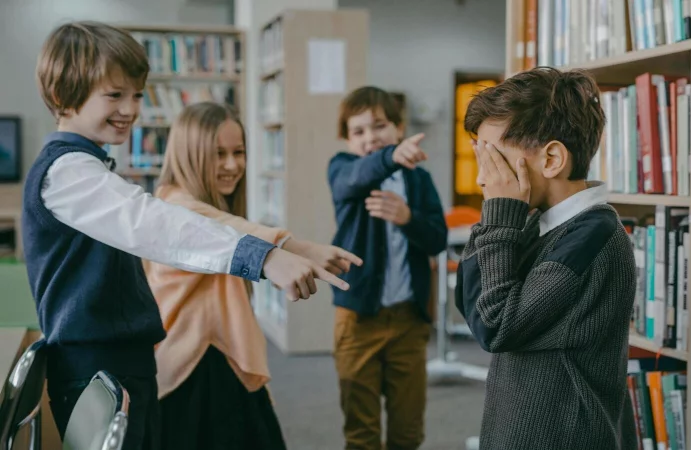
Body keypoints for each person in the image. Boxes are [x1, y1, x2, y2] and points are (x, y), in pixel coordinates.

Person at [24, 21, 348, 449]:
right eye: (115, 95)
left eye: (137, 95)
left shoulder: (89, 165)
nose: (131, 108)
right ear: (64, 94)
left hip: (119, 363)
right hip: (99, 367)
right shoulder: (66, 172)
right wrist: (266, 257)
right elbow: (152, 222)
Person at [142, 102, 361, 449]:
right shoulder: (175, 207)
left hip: (212, 355)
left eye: (239, 152)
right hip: (195, 365)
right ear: (189, 154)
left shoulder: (192, 202)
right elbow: (229, 230)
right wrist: (297, 248)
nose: (232, 165)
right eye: (218, 154)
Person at [454, 67, 638, 449]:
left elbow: (496, 326)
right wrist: (501, 218)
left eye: (495, 159)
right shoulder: (537, 223)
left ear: (552, 158)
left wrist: (501, 214)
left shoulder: (592, 238)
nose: (484, 178)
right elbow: (472, 300)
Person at [327, 86, 447, 450]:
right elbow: (357, 176)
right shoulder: (344, 168)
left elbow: (437, 238)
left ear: (399, 127)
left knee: (407, 432)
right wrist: (391, 156)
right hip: (358, 320)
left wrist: (408, 218)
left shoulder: (419, 179)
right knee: (361, 432)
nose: (369, 137)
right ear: (347, 140)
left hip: (409, 322)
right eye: (358, 131)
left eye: (379, 126)